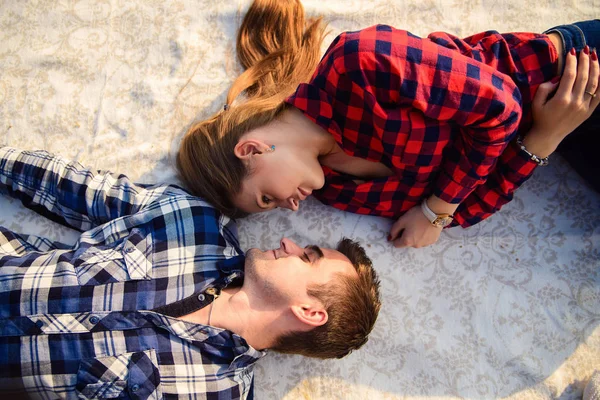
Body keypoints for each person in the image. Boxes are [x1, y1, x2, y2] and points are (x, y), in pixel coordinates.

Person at [176, 0, 600, 249]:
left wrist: (435, 209)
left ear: (251, 149)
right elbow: (470, 208)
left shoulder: (356, 64)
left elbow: (501, 105)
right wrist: (545, 138)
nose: (290, 206)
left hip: (568, 72)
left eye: (267, 197)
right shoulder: (340, 193)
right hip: (561, 129)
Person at [0, 147, 381, 399]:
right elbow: (76, 189)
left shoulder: (215, 393)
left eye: (308, 256)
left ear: (310, 312)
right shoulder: (193, 223)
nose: (288, 243)